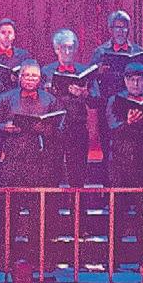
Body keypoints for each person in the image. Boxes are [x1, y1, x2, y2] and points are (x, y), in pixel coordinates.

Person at [0, 60, 63, 188]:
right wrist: (4, 127)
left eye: (34, 76)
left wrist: (46, 129)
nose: (30, 79)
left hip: (40, 157)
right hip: (13, 156)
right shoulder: (6, 98)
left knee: (36, 197)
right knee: (11, 196)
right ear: (20, 77)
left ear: (39, 79)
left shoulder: (50, 100)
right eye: (26, 75)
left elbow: (61, 127)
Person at [42, 28, 96, 185]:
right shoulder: (46, 71)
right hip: (53, 128)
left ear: (75, 49)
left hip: (77, 127)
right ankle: (52, 203)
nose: (67, 52)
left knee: (78, 174)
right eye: (63, 48)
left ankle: (77, 202)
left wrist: (84, 94)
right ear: (56, 49)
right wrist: (47, 93)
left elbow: (96, 101)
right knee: (51, 174)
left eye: (70, 47)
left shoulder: (84, 71)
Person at [103, 62, 143, 187]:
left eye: (139, 80)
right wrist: (128, 122)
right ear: (125, 80)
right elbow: (112, 127)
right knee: (120, 197)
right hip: (119, 159)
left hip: (142, 157)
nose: (135, 84)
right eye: (132, 80)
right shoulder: (114, 100)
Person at [0, 18, 33, 89]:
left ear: (14, 36)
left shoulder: (23, 55)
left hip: (16, 92)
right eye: (3, 32)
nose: (7, 36)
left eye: (10, 32)